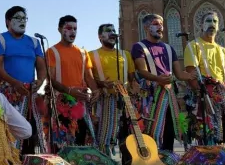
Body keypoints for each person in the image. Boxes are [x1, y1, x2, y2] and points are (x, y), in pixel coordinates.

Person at [131, 14, 194, 151]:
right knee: (150, 132)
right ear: (147, 27)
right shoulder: (139, 47)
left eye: (161, 24)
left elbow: (179, 74)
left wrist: (192, 76)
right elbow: (142, 71)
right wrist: (158, 79)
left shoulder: (169, 48)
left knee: (169, 131)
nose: (160, 27)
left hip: (169, 97)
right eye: (156, 24)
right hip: (150, 98)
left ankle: (168, 163)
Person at [0, 6, 47, 153]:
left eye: (24, 19)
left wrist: (39, 82)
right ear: (8, 21)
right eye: (17, 18)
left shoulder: (34, 42)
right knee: (7, 132)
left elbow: (41, 67)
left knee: (30, 135)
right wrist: (14, 83)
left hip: (29, 94)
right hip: (7, 92)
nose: (22, 21)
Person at [46, 15, 100, 147]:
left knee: (81, 140)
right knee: (63, 143)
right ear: (59, 29)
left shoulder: (82, 52)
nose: (73, 32)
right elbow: (50, 79)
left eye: (75, 29)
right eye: (69, 28)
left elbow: (89, 76)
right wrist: (69, 91)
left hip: (81, 104)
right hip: (61, 104)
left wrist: (96, 91)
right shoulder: (52, 51)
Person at [89, 23, 136, 155]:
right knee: (105, 139)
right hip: (105, 102)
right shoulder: (92, 55)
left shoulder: (126, 54)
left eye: (114, 30)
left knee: (129, 141)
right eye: (108, 31)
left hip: (126, 102)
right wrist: (102, 83)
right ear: (100, 36)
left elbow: (132, 78)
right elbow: (88, 79)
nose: (112, 33)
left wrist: (135, 87)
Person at [183, 11, 225, 144]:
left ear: (218, 26)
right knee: (209, 138)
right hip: (203, 98)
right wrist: (203, 98)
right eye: (208, 21)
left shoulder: (223, 50)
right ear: (201, 25)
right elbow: (191, 77)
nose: (212, 24)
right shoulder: (194, 46)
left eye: (215, 21)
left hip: (222, 97)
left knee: (224, 137)